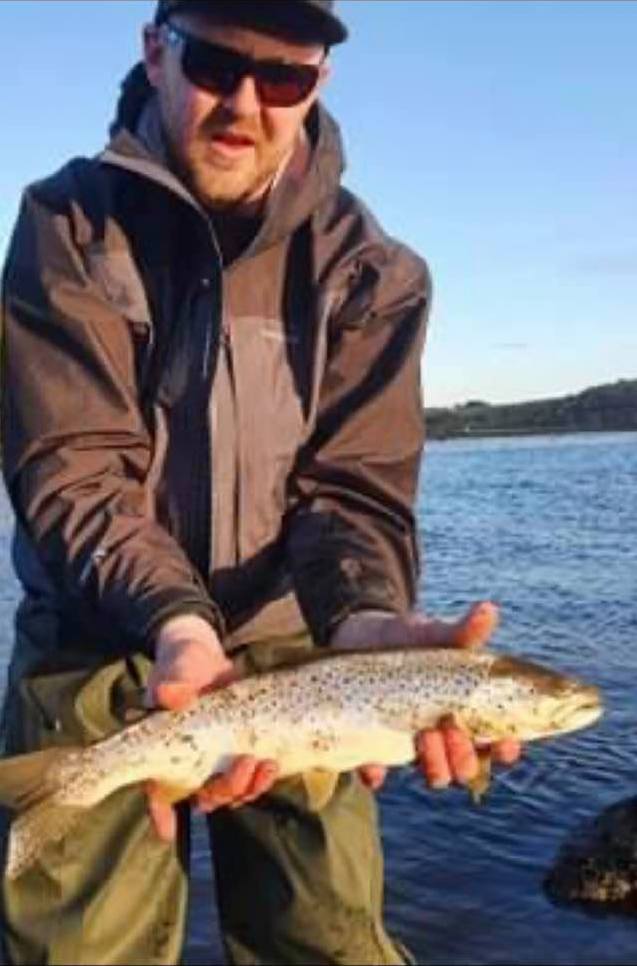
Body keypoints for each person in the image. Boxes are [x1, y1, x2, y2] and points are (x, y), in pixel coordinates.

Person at [0, 2, 520, 963]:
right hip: (95, 635)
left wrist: (363, 616)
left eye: (281, 77)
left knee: (327, 944)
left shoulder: (376, 274)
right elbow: (73, 467)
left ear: (318, 82)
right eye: (213, 62)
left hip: (301, 657)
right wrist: (178, 623)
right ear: (155, 52)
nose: (244, 102)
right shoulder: (65, 224)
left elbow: (352, 493)